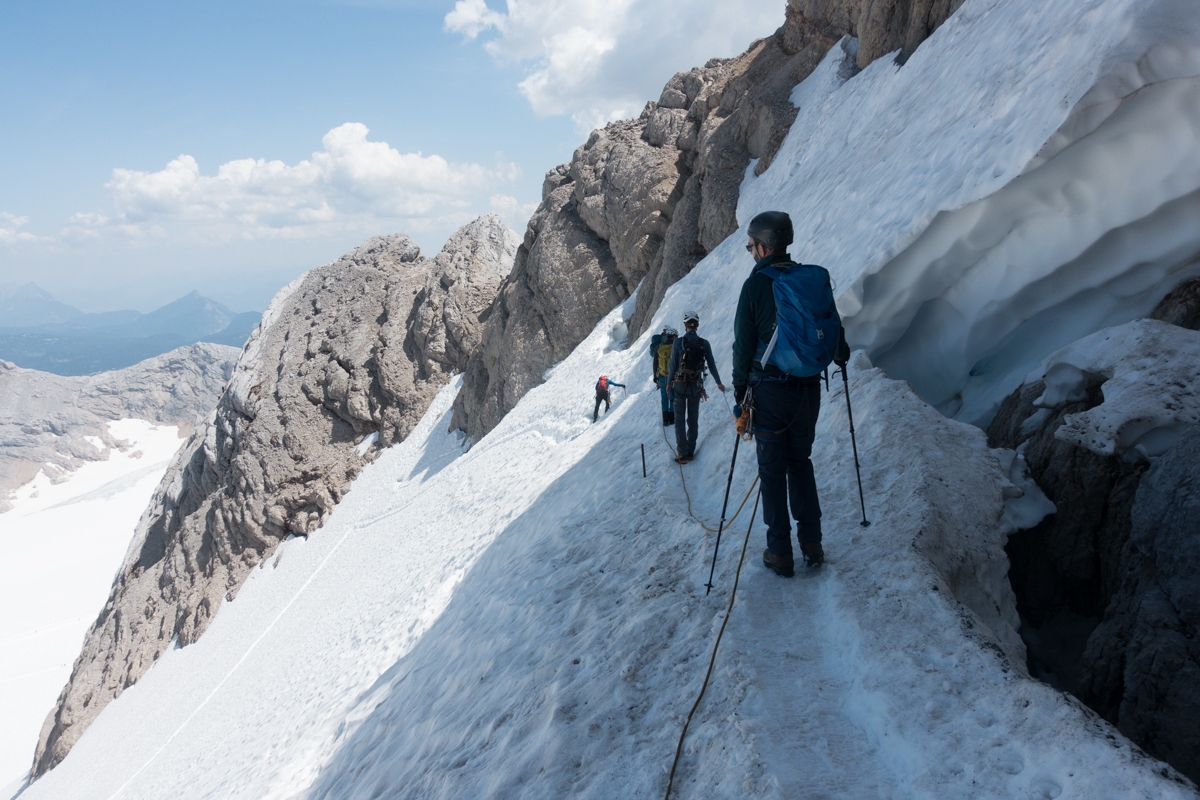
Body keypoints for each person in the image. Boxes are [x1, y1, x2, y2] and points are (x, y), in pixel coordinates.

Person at [732, 210, 845, 575]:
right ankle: (812, 544)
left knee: (771, 470)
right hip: (808, 391)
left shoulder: (755, 286)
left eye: (751, 245)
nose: (751, 251)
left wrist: (739, 391)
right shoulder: (809, 279)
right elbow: (834, 331)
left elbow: (743, 344)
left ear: (764, 246)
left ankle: (779, 553)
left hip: (769, 394)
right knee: (801, 463)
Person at [667, 311, 725, 464]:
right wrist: (718, 382)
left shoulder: (678, 343)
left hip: (679, 385)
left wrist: (668, 384)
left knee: (679, 419)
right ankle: (691, 451)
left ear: (685, 325)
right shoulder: (704, 343)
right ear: (697, 325)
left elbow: (672, 366)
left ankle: (682, 454)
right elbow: (711, 365)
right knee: (693, 419)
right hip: (695, 386)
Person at [649, 326, 678, 426]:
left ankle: (665, 420)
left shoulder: (659, 348)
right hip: (674, 376)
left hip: (662, 376)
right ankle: (672, 419)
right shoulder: (676, 347)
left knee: (664, 397)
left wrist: (655, 376)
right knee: (673, 397)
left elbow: (655, 363)